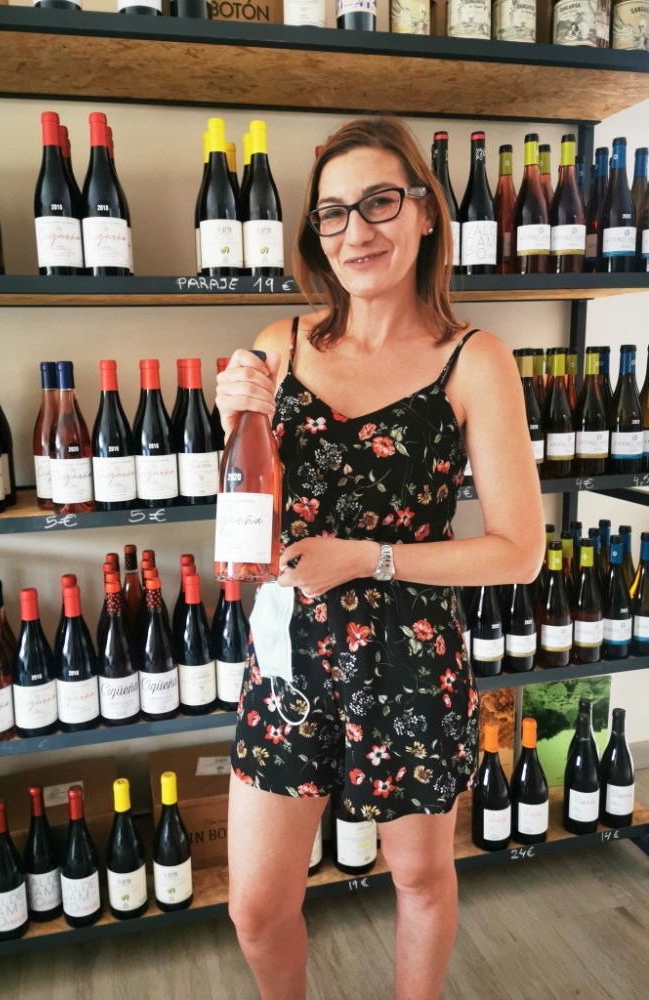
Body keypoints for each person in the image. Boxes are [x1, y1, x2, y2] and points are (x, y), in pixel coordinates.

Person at [215, 117, 544, 1000]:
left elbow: (520, 552)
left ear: (426, 212)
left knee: (421, 879)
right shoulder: (279, 345)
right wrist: (234, 424)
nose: (355, 231)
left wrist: (367, 558)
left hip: (412, 662)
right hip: (289, 658)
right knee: (256, 908)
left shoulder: (474, 361)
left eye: (379, 203)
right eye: (332, 213)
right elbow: (248, 514)